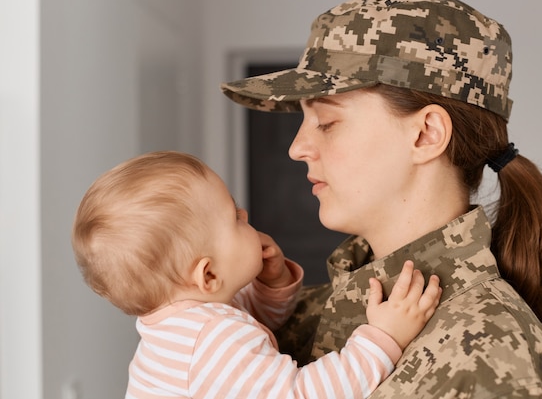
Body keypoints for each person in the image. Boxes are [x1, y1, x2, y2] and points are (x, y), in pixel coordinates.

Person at [221, 0, 542, 399]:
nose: (297, 148)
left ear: (426, 134)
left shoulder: (484, 355)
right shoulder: (291, 318)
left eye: (326, 121)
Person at [71, 150, 442, 399]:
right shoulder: (213, 340)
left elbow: (248, 320)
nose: (246, 214)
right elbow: (302, 394)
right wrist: (382, 338)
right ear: (209, 274)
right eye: (234, 217)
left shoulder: (186, 324)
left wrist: (271, 284)